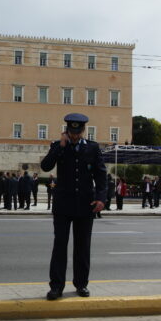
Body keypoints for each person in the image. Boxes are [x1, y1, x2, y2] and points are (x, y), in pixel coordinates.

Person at [40, 113, 106, 300]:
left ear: (83, 131)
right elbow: (45, 166)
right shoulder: (58, 146)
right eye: (71, 132)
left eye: (77, 132)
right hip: (63, 205)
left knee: (82, 247)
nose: (74, 135)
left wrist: (101, 198)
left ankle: (81, 284)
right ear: (67, 131)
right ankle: (56, 286)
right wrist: (60, 146)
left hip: (86, 205)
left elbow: (101, 176)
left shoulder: (93, 148)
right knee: (59, 246)